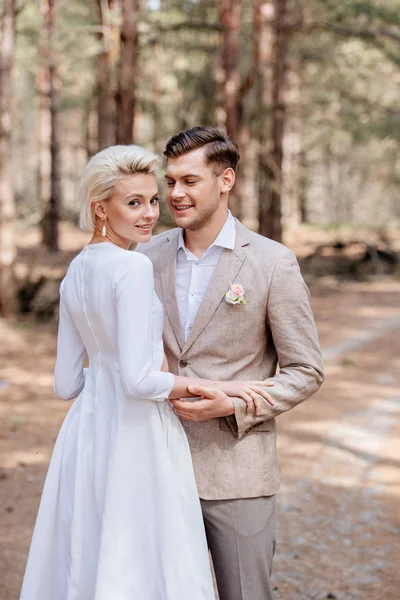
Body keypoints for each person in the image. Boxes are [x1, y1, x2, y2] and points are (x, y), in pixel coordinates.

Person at [19, 144, 274, 600]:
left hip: (86, 436)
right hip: (138, 435)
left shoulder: (75, 271)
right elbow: (140, 380)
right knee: (146, 565)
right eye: (133, 203)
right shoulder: (133, 266)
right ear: (101, 208)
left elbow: (65, 384)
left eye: (152, 200)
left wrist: (105, 374)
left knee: (94, 557)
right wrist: (225, 385)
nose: (149, 213)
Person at [137, 126, 325, 600]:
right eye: (171, 180)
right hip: (153, 465)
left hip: (237, 470)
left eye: (190, 181)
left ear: (226, 180)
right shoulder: (145, 258)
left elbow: (306, 371)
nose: (175, 194)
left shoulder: (272, 263)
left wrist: (234, 405)